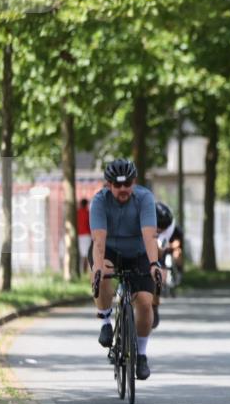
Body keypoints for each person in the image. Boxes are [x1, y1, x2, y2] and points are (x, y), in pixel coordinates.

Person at [89, 159, 160, 380]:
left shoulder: (145, 198)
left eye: (127, 184)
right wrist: (98, 267)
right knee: (102, 275)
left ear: (134, 182)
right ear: (108, 184)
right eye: (117, 185)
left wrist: (154, 264)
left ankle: (141, 354)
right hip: (109, 250)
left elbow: (149, 235)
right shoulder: (99, 201)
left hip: (138, 252)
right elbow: (99, 240)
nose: (122, 189)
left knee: (146, 302)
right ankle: (105, 321)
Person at [152, 201, 183, 328]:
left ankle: (179, 271)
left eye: (161, 229)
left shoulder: (171, 227)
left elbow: (161, 249)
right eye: (158, 228)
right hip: (150, 234)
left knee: (175, 254)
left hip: (168, 241)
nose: (159, 230)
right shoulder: (147, 218)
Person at [77, 199, 91, 274]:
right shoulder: (87, 213)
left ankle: (80, 271)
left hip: (78, 235)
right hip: (86, 235)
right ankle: (85, 272)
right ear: (86, 205)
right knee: (86, 255)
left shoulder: (77, 213)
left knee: (81, 255)